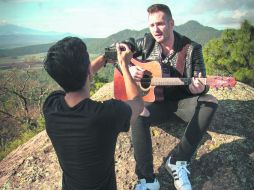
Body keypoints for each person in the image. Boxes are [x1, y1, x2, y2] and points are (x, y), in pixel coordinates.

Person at [126, 4, 218, 190]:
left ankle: (178, 161)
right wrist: (129, 68)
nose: (155, 29)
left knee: (210, 101)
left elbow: (202, 81)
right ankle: (147, 179)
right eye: (152, 25)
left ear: (171, 23)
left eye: (160, 24)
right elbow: (119, 52)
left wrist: (197, 89)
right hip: (155, 104)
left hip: (183, 104)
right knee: (135, 111)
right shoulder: (146, 43)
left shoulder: (192, 48)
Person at [43, 37, 144, 190]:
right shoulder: (107, 114)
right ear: (88, 71)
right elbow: (138, 103)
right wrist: (124, 66)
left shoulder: (51, 106)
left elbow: (72, 79)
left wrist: (106, 58)